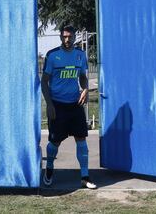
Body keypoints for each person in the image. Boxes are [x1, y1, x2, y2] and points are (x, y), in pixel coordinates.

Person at [41, 25, 97, 189]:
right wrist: (49, 104)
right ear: (60, 37)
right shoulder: (52, 56)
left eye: (70, 36)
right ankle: (49, 170)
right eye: (64, 36)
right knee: (54, 142)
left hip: (75, 105)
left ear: (74, 37)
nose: (67, 39)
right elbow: (44, 82)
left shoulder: (80, 55)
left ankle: (85, 176)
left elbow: (82, 77)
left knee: (81, 139)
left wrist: (85, 89)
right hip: (57, 105)